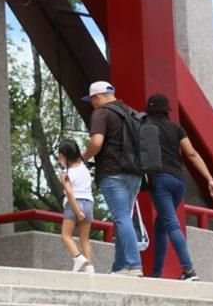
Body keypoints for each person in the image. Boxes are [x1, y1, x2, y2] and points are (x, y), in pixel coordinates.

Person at [145, 93, 213, 282]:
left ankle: (189, 271)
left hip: (160, 178)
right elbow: (192, 153)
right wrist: (209, 178)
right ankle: (156, 272)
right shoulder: (176, 128)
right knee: (161, 225)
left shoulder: (145, 126)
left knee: (170, 223)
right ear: (166, 110)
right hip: (179, 181)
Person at [81, 80, 144, 277]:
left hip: (112, 171)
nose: (91, 104)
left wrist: (82, 158)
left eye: (91, 100)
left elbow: (96, 142)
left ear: (97, 96)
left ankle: (134, 265)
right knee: (122, 218)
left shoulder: (101, 112)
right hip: (135, 173)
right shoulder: (133, 114)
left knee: (122, 217)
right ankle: (120, 267)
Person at [57, 139, 95, 273]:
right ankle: (90, 268)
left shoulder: (65, 174)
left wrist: (77, 211)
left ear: (62, 155)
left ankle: (78, 257)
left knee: (66, 236)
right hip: (89, 203)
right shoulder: (84, 166)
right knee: (84, 239)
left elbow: (69, 192)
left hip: (74, 203)